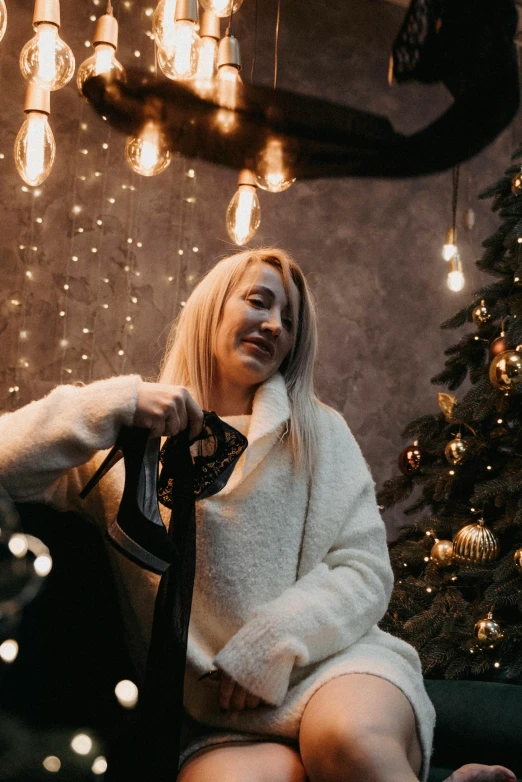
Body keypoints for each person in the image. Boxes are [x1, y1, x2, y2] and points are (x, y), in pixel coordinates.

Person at [0, 248, 516, 782]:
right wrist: (114, 403)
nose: (274, 326)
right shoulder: (125, 446)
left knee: (348, 743)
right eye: (258, 302)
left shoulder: (318, 431)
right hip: (223, 719)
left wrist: (269, 643)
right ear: (212, 308)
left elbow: (364, 570)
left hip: (336, 670)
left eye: (289, 321)